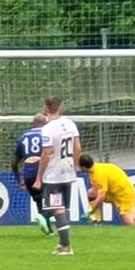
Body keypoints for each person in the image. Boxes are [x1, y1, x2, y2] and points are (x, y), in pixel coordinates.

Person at [33, 96, 81, 256]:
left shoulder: (47, 129)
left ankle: (66, 246)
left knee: (56, 208)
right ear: (60, 107)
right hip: (67, 173)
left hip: (53, 176)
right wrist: (74, 166)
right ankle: (62, 244)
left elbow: (45, 154)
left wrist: (39, 178)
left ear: (45, 108)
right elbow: (77, 148)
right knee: (61, 209)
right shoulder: (70, 124)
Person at [78, 154, 135, 226]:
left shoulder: (99, 173)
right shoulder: (93, 172)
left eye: (80, 166)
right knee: (91, 193)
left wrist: (90, 211)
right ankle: (97, 221)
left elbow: (101, 196)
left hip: (124, 194)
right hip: (114, 194)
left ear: (84, 167)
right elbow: (96, 190)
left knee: (130, 224)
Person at [12, 113, 50, 234]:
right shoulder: (47, 135)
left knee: (39, 201)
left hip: (28, 173)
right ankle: (45, 217)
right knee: (54, 200)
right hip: (43, 171)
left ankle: (49, 230)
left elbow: (14, 162)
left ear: (32, 124)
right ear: (45, 123)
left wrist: (19, 179)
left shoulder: (23, 137)